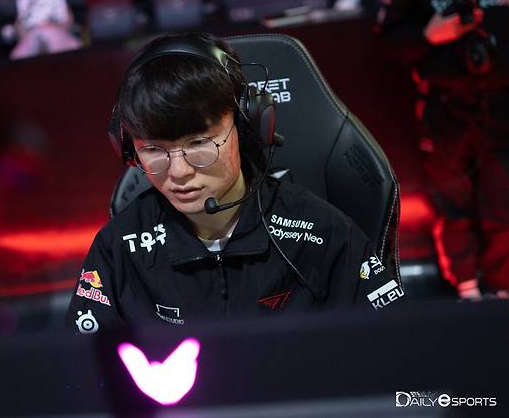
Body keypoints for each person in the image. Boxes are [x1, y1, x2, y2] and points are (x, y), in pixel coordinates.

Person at [66, 33, 403, 334]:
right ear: (128, 148)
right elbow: (81, 371)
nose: (179, 172)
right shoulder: (118, 248)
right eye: (153, 150)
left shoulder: (324, 234)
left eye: (199, 143)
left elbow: (397, 351)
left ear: (247, 127)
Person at [375, 0, 509, 300]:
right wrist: (428, 36)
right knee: (451, 202)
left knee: (503, 200)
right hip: (444, 107)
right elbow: (389, 39)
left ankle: (503, 285)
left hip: (501, 103)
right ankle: (466, 288)